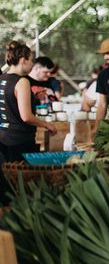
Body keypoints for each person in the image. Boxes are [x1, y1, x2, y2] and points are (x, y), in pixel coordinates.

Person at [1, 41, 57, 202]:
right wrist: (46, 124)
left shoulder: (2, 78)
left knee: (7, 189)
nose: (32, 64)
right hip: (20, 142)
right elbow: (26, 116)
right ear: (23, 60)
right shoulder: (22, 81)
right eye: (31, 60)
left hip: (4, 141)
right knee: (23, 190)